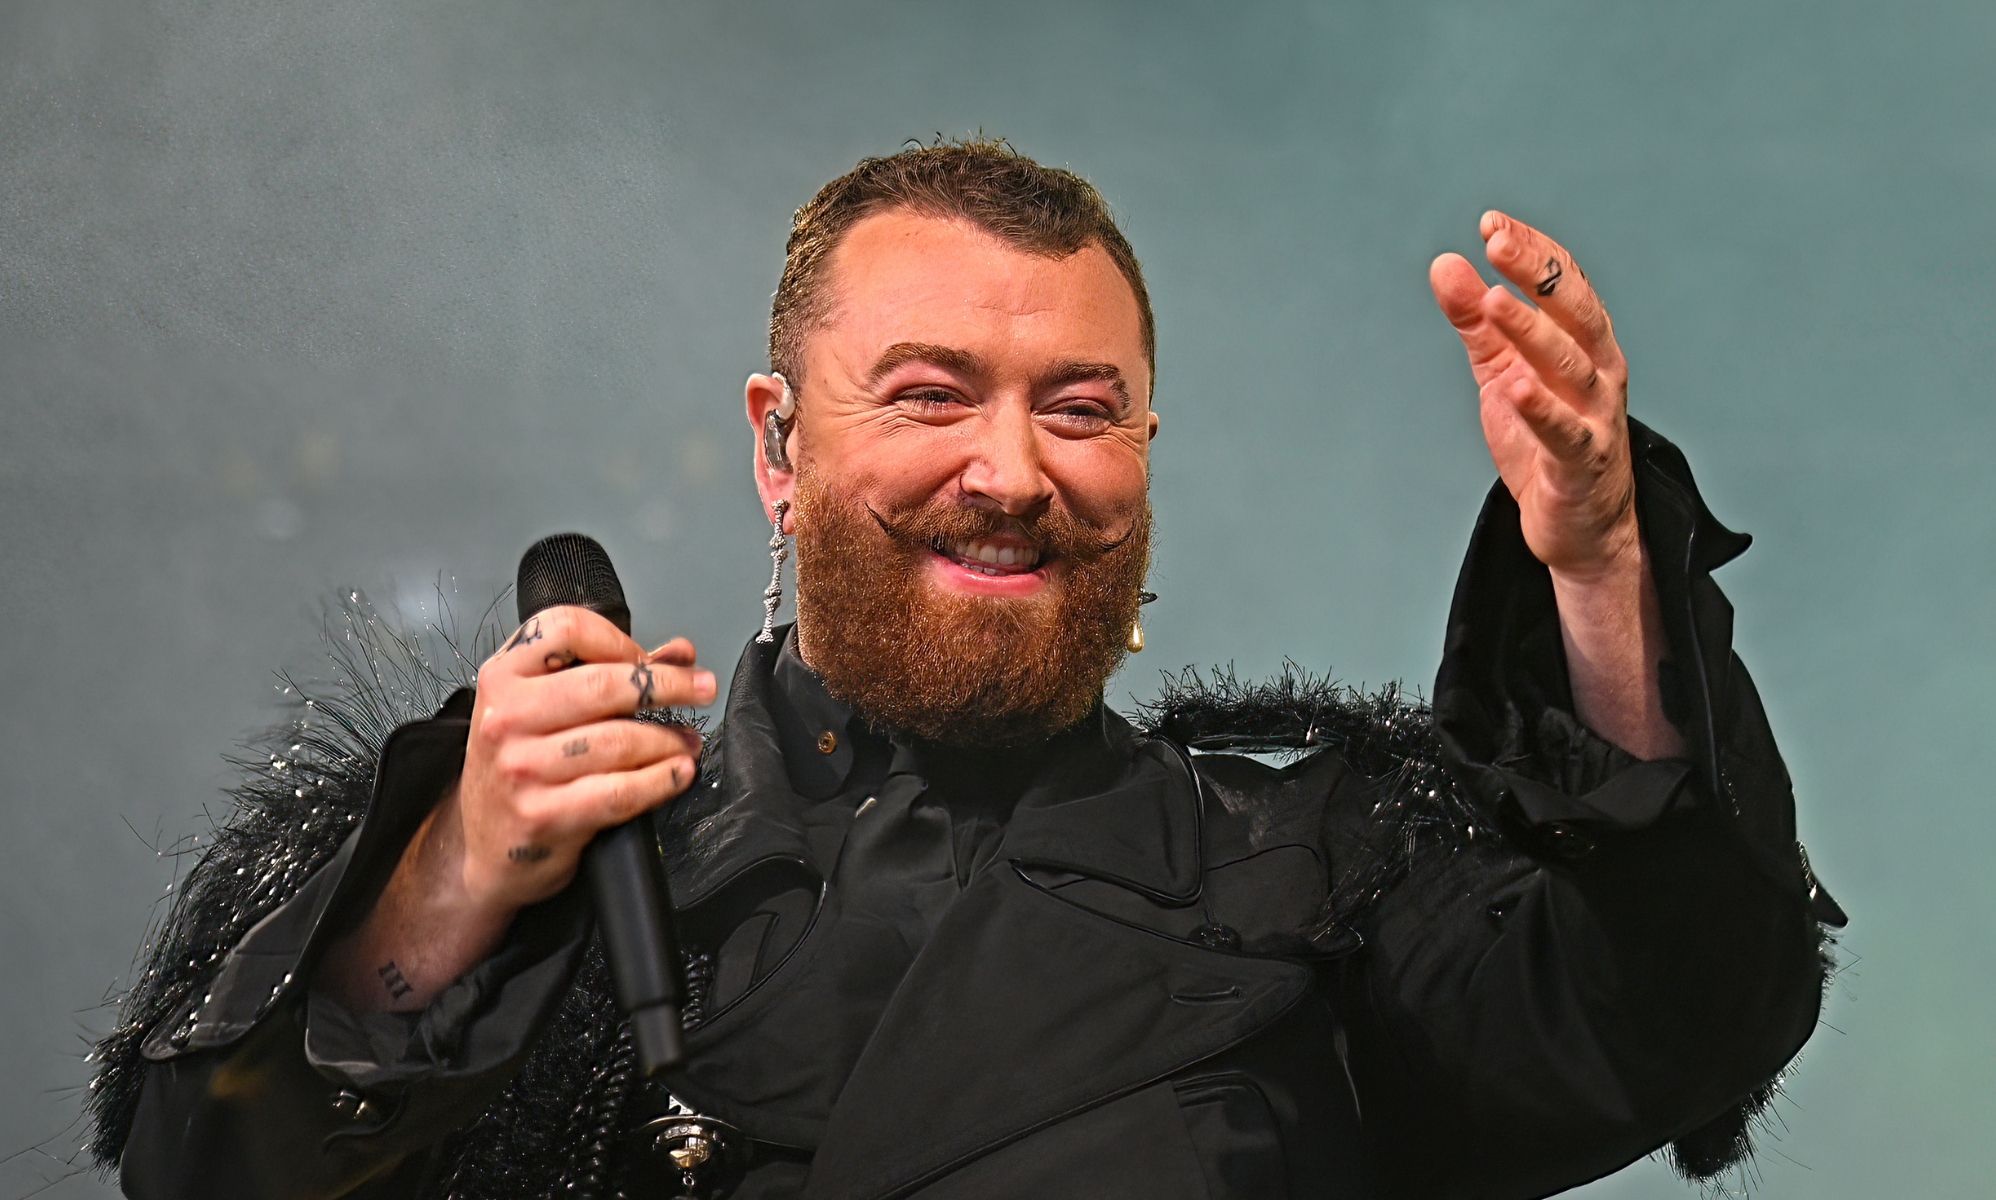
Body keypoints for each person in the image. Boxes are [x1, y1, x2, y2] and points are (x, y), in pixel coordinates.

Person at [94, 140, 1844, 1200]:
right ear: (778, 447)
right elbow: (205, 1175)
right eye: (930, 396)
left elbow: (1669, 1007)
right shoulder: (554, 859)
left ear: (1148, 449)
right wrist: (452, 881)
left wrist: (1603, 564)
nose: (1011, 472)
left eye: (1080, 410)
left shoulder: (1312, 880)